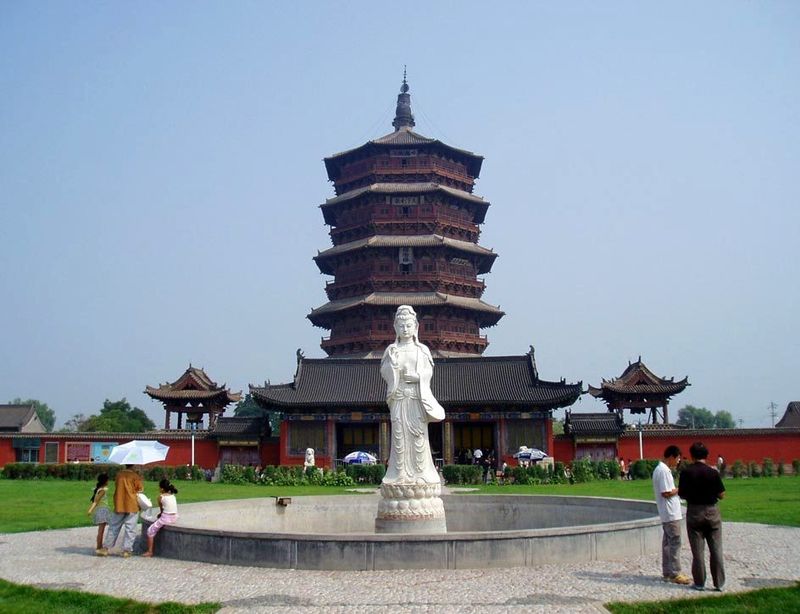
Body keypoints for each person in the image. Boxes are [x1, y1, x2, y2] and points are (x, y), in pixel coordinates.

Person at [380, 305, 444, 485]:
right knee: (399, 438)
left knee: (418, 438)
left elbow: (428, 373)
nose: (405, 329)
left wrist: (417, 378)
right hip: (399, 398)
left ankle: (421, 474)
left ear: (415, 327)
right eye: (401, 326)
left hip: (416, 397)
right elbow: (385, 373)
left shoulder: (422, 350)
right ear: (395, 328)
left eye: (408, 325)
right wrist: (392, 366)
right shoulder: (391, 350)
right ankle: (398, 475)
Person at [678, 441, 726, 591]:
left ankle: (699, 583)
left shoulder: (686, 472)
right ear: (707, 455)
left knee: (698, 551)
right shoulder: (713, 472)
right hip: (712, 511)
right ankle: (719, 583)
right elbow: (722, 494)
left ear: (691, 456)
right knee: (716, 549)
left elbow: (682, 494)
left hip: (694, 512)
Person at [652, 446, 691, 585]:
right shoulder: (663, 471)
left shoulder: (662, 470)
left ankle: (668, 571)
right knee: (674, 542)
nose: (678, 461)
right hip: (670, 513)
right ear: (671, 457)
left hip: (668, 513)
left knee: (668, 543)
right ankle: (675, 572)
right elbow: (666, 492)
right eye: (678, 458)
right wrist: (681, 489)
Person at [98, 464, 143, 557]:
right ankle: (127, 550)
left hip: (119, 503)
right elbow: (140, 489)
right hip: (132, 505)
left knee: (113, 527)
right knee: (130, 528)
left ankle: (105, 548)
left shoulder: (119, 475)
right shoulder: (135, 476)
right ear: (133, 465)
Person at [143, 479, 179, 557]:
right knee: (158, 522)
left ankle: (150, 551)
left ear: (162, 489)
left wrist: (160, 515)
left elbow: (162, 511)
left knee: (150, 531)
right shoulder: (173, 496)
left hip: (166, 518)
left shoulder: (160, 497)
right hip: (175, 517)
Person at [87, 473, 111, 554]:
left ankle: (99, 546)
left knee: (101, 530)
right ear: (105, 481)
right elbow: (96, 501)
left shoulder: (100, 489)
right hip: (102, 511)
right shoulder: (102, 491)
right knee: (101, 531)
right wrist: (90, 510)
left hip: (101, 510)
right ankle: (99, 547)